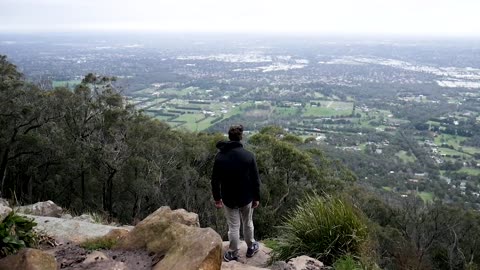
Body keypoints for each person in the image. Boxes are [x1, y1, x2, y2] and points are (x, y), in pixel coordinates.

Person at [211, 124, 261, 262]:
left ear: (229, 137)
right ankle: (251, 247)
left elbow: (215, 180)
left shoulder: (220, 157)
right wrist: (256, 197)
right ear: (241, 137)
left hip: (228, 197)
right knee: (248, 223)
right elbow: (255, 179)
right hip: (246, 197)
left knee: (233, 226)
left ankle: (233, 252)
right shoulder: (248, 156)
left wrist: (217, 198)